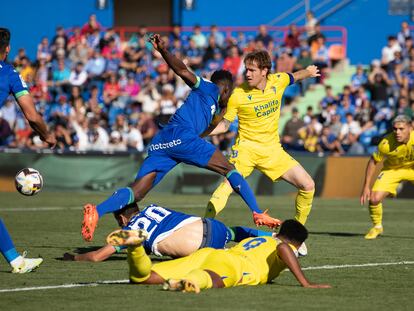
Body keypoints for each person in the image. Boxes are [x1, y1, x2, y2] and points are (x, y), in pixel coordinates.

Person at [81, 34, 280, 242]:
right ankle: (257, 212)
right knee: (230, 170)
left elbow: (213, 126)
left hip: (162, 141)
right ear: (226, 89)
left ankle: (97, 210)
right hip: (182, 137)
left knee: (137, 193)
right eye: (229, 95)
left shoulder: (211, 109)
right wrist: (164, 51)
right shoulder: (208, 87)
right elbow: (182, 70)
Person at [205, 50, 319, 233]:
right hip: (245, 151)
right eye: (246, 69)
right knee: (226, 187)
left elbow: (295, 77)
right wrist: (199, 134)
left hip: (272, 150)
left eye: (252, 70)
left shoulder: (278, 81)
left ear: (265, 71)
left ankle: (295, 233)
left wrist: (309, 71)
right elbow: (225, 126)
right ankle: (204, 228)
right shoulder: (238, 94)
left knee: (308, 185)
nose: (247, 74)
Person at [106, 219, 330, 292]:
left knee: (143, 278)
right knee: (215, 280)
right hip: (235, 265)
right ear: (295, 242)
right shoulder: (284, 246)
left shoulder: (260, 240)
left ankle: (135, 246)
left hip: (209, 254)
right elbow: (283, 249)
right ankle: (191, 282)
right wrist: (305, 282)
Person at [0, 28, 56, 273]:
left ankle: (16, 260)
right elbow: (31, 115)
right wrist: (47, 134)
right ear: (8, 48)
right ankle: (16, 262)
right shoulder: (10, 74)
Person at [65, 202, 272, 262]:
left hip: (198, 247)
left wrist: (73, 257)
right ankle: (274, 238)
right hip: (212, 226)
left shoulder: (129, 230)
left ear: (121, 219)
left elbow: (97, 256)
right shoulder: (153, 207)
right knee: (235, 233)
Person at [360, 115, 414, 239]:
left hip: (412, 168)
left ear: (411, 128)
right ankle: (377, 227)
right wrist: (366, 186)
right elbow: (373, 161)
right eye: (395, 129)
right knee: (374, 198)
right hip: (392, 170)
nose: (397, 132)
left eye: (401, 129)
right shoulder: (386, 143)